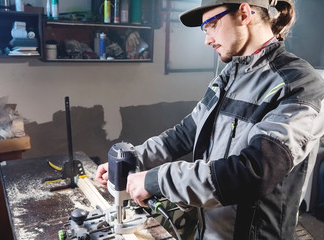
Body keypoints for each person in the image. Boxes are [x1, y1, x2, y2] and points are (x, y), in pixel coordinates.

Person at [95, 0, 324, 239]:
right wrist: (133, 161)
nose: (207, 39)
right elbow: (186, 133)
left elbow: (253, 172)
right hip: (209, 231)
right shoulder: (228, 76)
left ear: (245, 13)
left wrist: (156, 180)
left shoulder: (299, 84)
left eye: (212, 25)